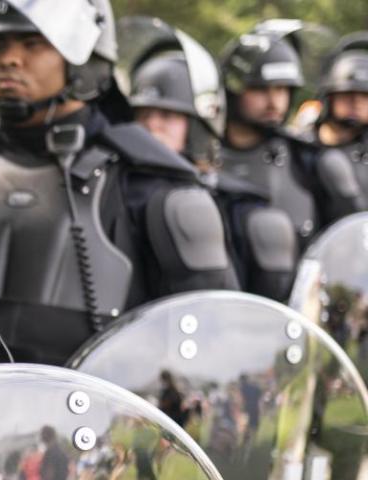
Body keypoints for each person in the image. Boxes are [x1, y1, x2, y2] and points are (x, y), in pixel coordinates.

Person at [0, 0, 240, 366]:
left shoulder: (152, 183)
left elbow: (211, 346)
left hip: (98, 418)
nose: (9, 59)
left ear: (85, 61)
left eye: (33, 44)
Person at [126, 21, 297, 301]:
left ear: (197, 125)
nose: (151, 126)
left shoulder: (233, 203)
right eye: (143, 115)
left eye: (167, 116)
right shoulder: (113, 184)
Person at [218, 23, 333, 252]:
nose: (274, 102)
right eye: (261, 89)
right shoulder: (202, 157)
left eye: (282, 89)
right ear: (233, 89)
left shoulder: (308, 160)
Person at [314, 32, 368, 217]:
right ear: (329, 96)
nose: (357, 103)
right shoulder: (299, 150)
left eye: (365, 96)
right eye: (348, 94)